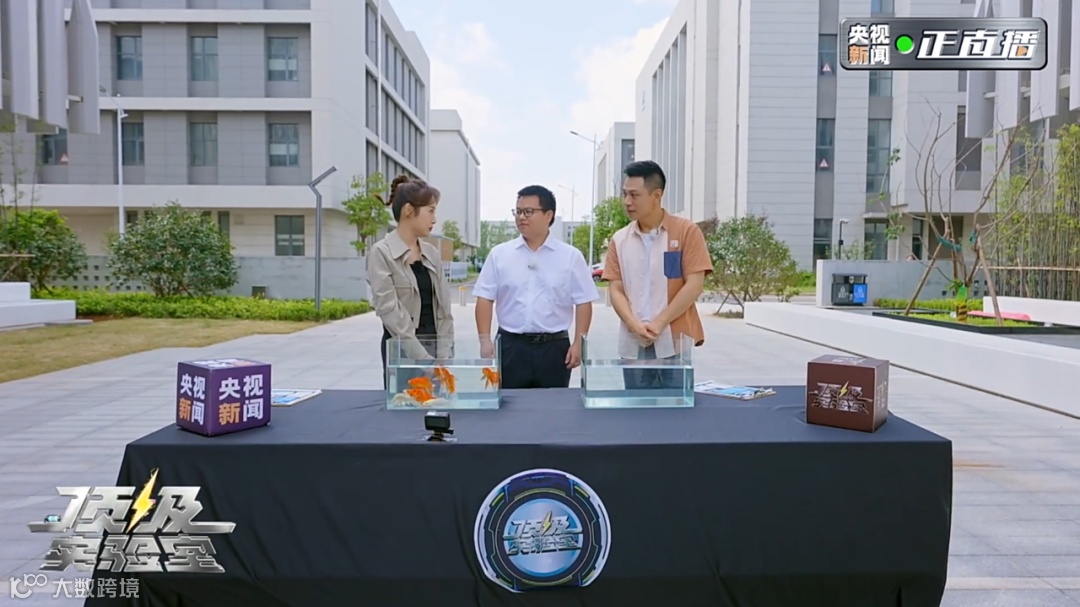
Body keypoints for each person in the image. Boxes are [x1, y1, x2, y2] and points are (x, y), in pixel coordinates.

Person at [602, 160, 714, 389]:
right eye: (625, 194)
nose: (627, 201)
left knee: (677, 406)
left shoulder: (686, 232)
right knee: (636, 406)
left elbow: (694, 284)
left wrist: (659, 322)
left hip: (674, 342)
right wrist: (634, 324)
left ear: (657, 195)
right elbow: (615, 288)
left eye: (634, 195)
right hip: (633, 343)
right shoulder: (620, 239)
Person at [474, 185, 599, 389]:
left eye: (528, 211)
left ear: (548, 215)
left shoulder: (570, 256)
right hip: (511, 346)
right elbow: (484, 298)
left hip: (554, 348)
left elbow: (583, 301)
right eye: (518, 211)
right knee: (509, 406)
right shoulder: (500, 255)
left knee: (552, 405)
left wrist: (578, 342)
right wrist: (484, 340)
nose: (521, 217)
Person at [366, 175, 454, 389]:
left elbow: (444, 310)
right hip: (402, 352)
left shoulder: (431, 253)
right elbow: (390, 311)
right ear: (408, 210)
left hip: (436, 353)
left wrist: (444, 355)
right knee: (404, 405)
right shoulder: (381, 253)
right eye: (430, 211)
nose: (434, 219)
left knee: (439, 407)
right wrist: (423, 359)